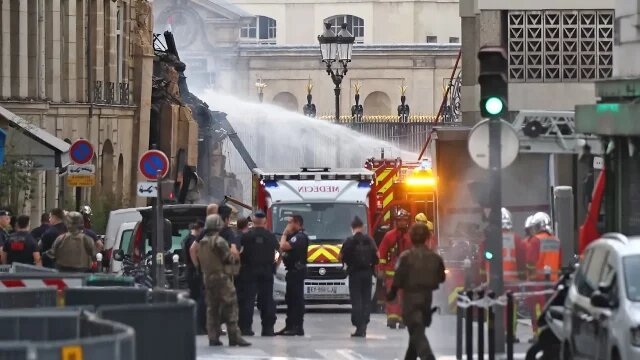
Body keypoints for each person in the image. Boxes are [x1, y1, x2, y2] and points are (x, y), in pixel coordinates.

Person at [387, 222, 445, 360]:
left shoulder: (405, 257)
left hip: (410, 299)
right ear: (427, 237)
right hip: (427, 299)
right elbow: (441, 278)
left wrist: (392, 293)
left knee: (416, 332)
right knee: (416, 331)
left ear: (411, 238)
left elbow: (398, 278)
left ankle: (427, 356)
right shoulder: (435, 258)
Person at [196, 214, 250, 347]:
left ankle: (213, 337)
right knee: (231, 305)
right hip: (221, 277)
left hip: (207, 278)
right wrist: (236, 257)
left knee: (212, 309)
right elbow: (229, 258)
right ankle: (234, 337)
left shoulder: (202, 242)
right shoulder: (219, 241)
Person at [238, 210, 279, 337]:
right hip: (267, 271)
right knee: (267, 300)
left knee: (247, 301)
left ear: (253, 221)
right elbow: (280, 253)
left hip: (248, 271)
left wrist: (239, 267)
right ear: (265, 221)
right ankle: (268, 329)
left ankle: (245, 328)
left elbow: (238, 252)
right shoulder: (270, 236)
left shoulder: (246, 236)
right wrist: (275, 267)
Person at [339, 216, 378, 337]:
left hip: (354, 274)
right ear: (363, 227)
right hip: (367, 274)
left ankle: (358, 325)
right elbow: (377, 256)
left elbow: (340, 257)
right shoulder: (370, 240)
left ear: (352, 228)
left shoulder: (349, 241)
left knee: (356, 300)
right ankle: (364, 325)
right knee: (366, 300)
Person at [525, 211, 560, 340]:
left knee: (537, 310)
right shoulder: (556, 240)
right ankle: (550, 333)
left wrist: (528, 276)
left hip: (538, 281)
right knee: (550, 310)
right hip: (554, 282)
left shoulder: (535, 240)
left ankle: (538, 334)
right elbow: (559, 262)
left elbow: (530, 261)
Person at [377, 208, 412, 328]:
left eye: (404, 220)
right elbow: (381, 253)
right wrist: (381, 268)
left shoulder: (411, 236)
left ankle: (403, 319)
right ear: (396, 221)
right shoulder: (389, 236)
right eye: (400, 220)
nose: (402, 222)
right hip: (391, 273)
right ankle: (392, 319)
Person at [276, 214, 309, 336]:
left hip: (297, 271)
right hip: (292, 271)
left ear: (297, 223)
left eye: (290, 223)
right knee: (290, 299)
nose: (288, 226)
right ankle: (289, 325)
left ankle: (297, 327)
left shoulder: (300, 237)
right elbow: (281, 251)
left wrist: (284, 234)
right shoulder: (294, 236)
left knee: (296, 300)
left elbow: (284, 246)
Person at [183, 220, 205, 334]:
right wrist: (198, 266)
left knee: (195, 298)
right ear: (200, 229)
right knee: (198, 299)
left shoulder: (186, 238)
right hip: (193, 271)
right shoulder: (192, 240)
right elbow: (193, 251)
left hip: (189, 271)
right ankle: (198, 327)